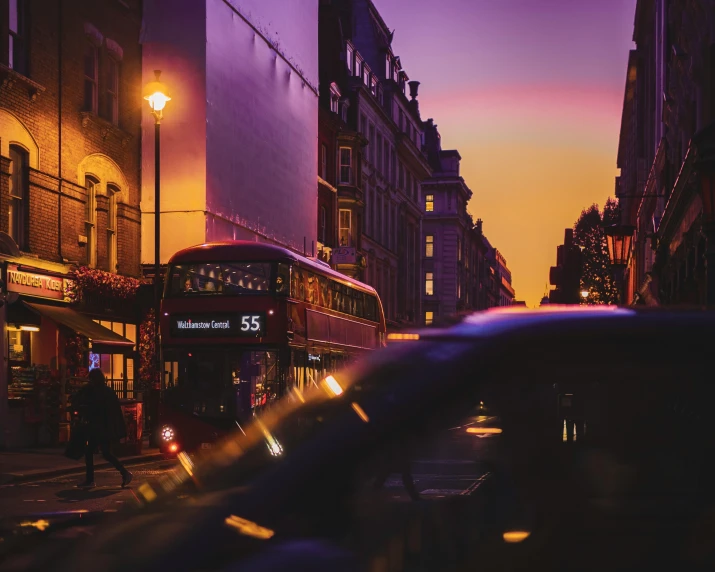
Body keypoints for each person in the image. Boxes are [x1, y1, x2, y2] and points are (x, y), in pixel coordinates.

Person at [73, 369, 133, 488]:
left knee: (90, 452)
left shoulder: (98, 392)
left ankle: (91, 480)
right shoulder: (106, 391)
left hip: (99, 428)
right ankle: (124, 473)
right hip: (105, 428)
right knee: (105, 453)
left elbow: (94, 408)